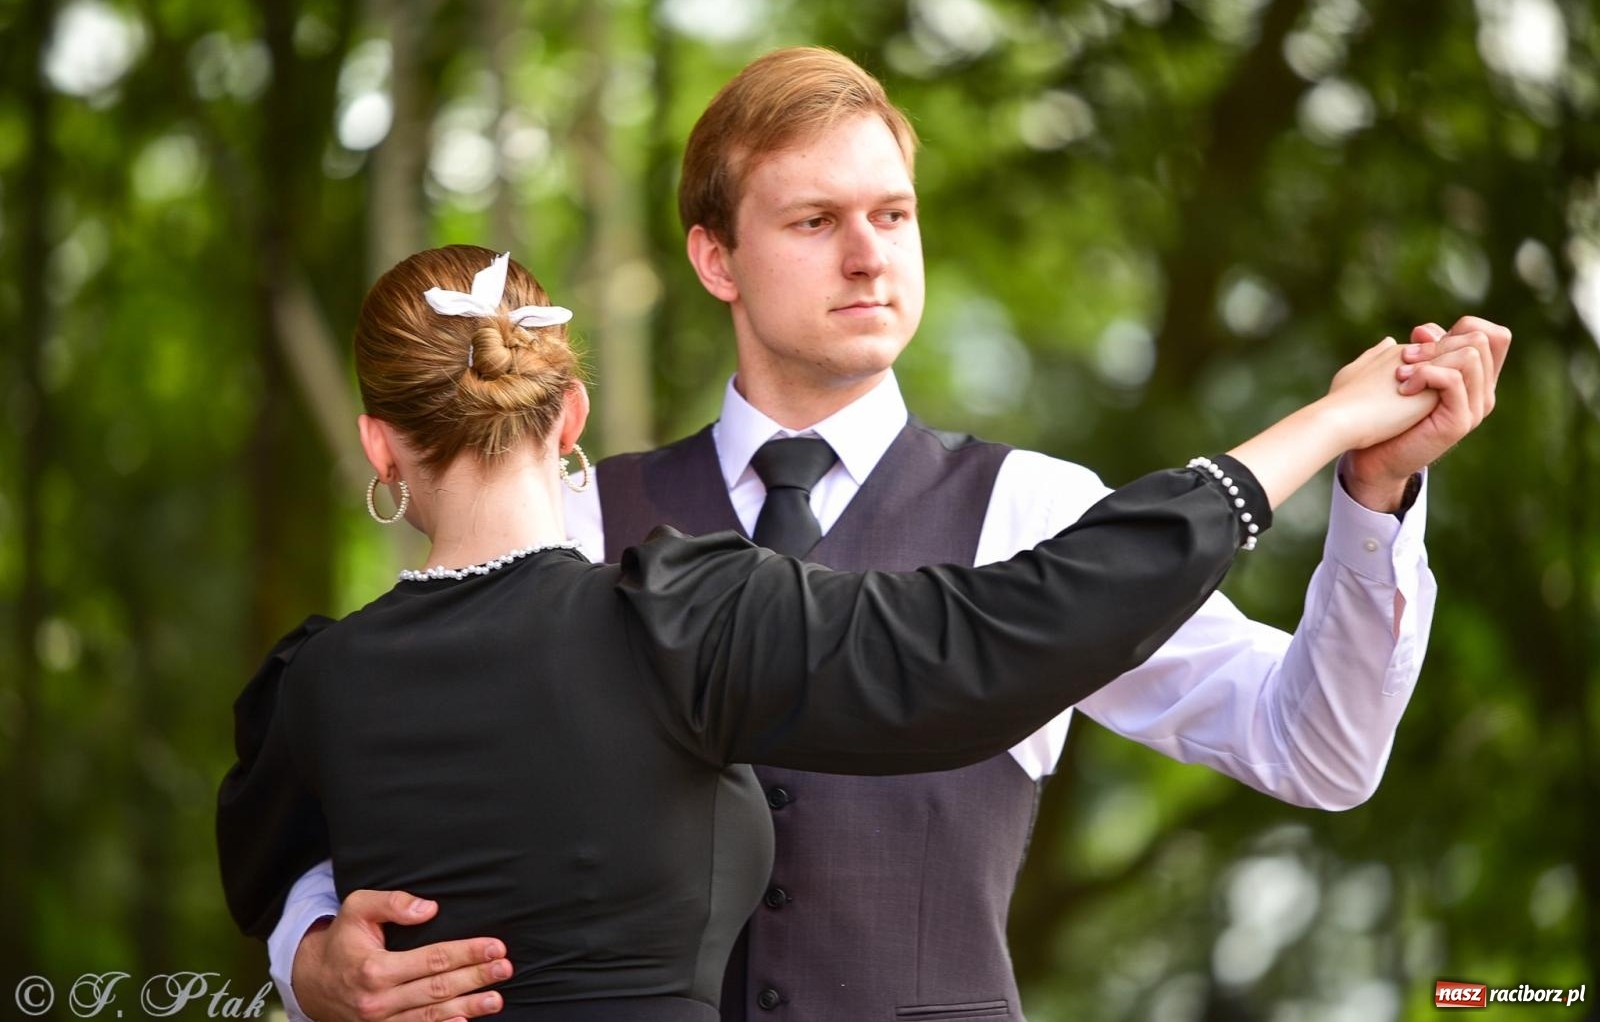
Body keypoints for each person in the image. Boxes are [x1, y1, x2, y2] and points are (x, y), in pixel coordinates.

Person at [264, 50, 1510, 1022]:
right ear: (715, 257)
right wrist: (315, 955)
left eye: (894, 216)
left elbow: (1320, 752)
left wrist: (1371, 504)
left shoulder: (1040, 510)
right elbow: (364, 771)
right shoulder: (569, 519)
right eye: (814, 222)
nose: (869, 257)